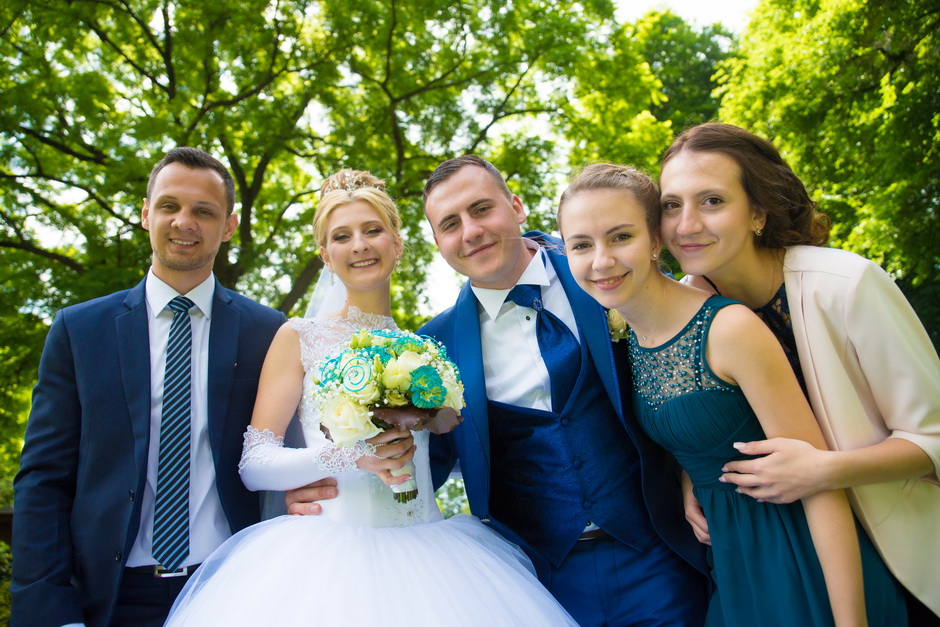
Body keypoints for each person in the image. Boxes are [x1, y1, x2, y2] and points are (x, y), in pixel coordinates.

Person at [164, 169, 578, 625]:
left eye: (373, 230)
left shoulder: (425, 348)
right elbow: (254, 463)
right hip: (330, 561)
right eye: (342, 236)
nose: (359, 244)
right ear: (325, 255)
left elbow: (455, 450)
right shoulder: (299, 338)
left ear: (397, 243)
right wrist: (346, 458)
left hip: (435, 559)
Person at [557, 162, 907, 625]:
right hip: (729, 564)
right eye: (582, 245)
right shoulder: (626, 340)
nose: (601, 260)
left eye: (621, 237)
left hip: (800, 557)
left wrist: (850, 621)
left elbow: (820, 484)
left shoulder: (729, 328)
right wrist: (690, 476)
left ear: (656, 240)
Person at [658, 122, 940, 623]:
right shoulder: (685, 307)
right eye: (671, 205)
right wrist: (691, 475)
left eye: (712, 201)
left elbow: (935, 438)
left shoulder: (847, 286)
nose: (686, 224)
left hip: (901, 555)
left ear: (759, 213)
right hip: (785, 564)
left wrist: (822, 471)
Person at [418, 156, 709, 625]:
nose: (470, 231)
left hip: (659, 553)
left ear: (516, 207)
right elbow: (419, 468)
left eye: (481, 209)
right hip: (541, 586)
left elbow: (683, 360)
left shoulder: (602, 267)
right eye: (451, 223)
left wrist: (695, 468)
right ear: (438, 242)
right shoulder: (433, 349)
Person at [11, 147, 287, 627]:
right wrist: (50, 609)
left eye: (204, 211)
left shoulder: (270, 332)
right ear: (145, 213)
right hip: (112, 597)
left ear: (229, 226)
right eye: (169, 206)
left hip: (232, 589)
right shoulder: (80, 331)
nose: (185, 221)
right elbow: (43, 479)